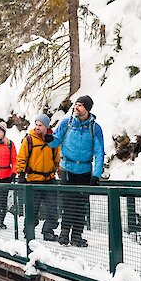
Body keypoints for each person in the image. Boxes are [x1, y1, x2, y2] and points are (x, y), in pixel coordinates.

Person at [45, 95, 104, 246]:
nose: (76, 107)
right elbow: (57, 140)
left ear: (87, 108)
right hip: (68, 168)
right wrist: (49, 140)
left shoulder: (95, 128)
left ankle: (77, 236)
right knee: (68, 203)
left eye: (80, 105)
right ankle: (64, 234)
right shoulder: (67, 122)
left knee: (81, 204)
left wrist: (96, 175)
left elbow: (99, 151)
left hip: (85, 170)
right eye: (76, 104)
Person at [15, 113, 61, 241]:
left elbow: (57, 158)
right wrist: (21, 174)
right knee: (32, 209)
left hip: (49, 179)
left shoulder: (52, 141)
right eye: (36, 124)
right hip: (33, 180)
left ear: (46, 126)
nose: (37, 127)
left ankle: (48, 231)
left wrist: (58, 170)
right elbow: (21, 157)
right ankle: (28, 231)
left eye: (40, 125)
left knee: (52, 208)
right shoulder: (29, 139)